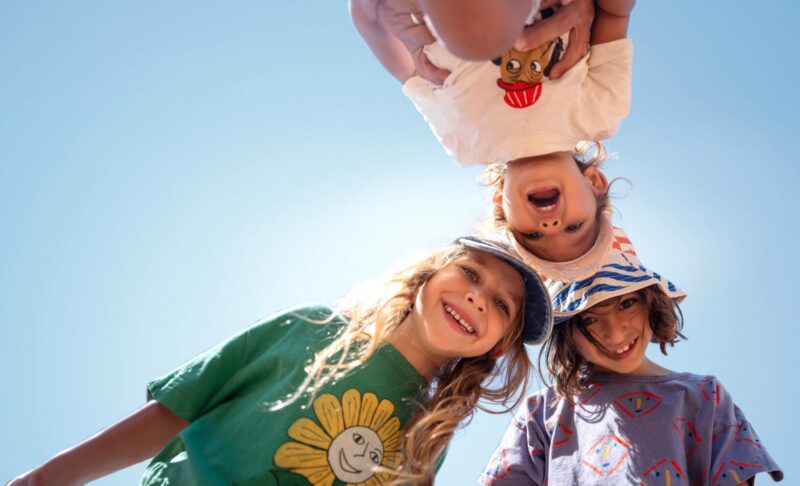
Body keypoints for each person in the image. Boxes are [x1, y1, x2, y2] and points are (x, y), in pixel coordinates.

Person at [6, 236, 552, 486]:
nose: (478, 296)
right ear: (429, 275)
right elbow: (176, 410)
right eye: (470, 273)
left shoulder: (430, 433)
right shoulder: (309, 329)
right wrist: (47, 479)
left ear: (497, 346)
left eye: (502, 305)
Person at [352, 0, 634, 280]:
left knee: (479, 39)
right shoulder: (600, 113)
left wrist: (365, 11)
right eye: (574, 227)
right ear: (595, 183)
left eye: (532, 236)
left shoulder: (464, 142)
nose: (550, 226)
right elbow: (615, 14)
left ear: (500, 203)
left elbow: (403, 65)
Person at [480, 227, 784, 485]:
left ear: (651, 302)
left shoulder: (705, 398)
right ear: (566, 334)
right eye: (589, 319)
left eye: (626, 303)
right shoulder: (542, 412)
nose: (615, 332)